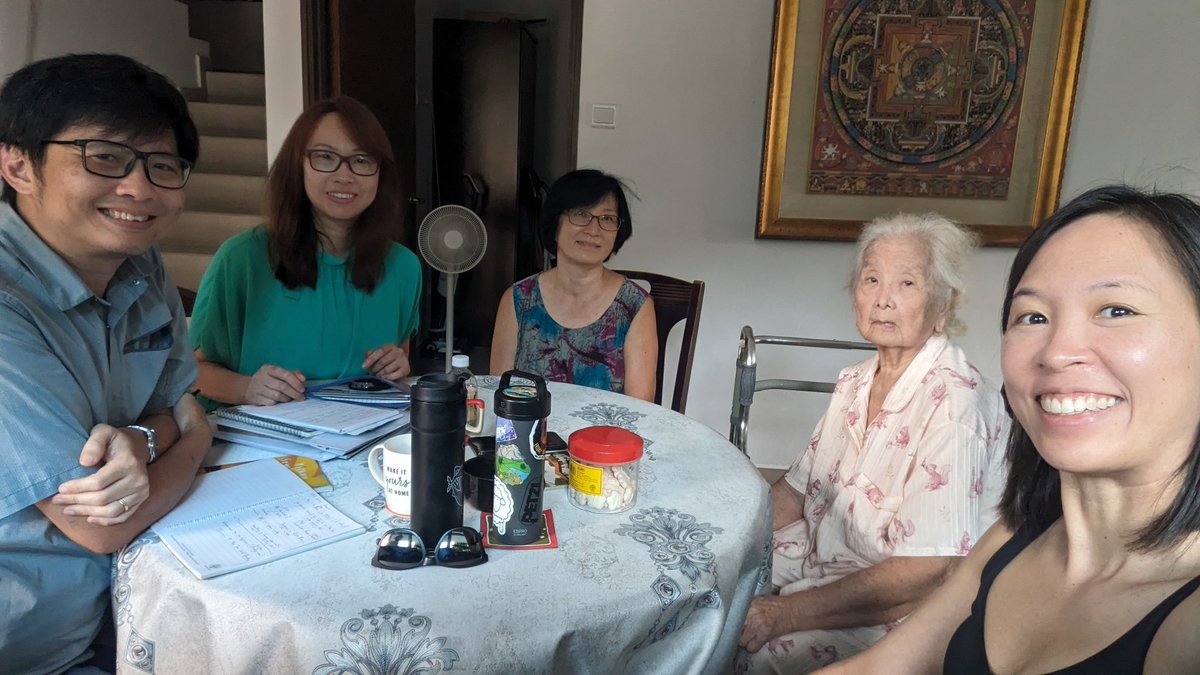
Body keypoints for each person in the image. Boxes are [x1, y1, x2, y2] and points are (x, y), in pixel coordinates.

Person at [822, 186, 1200, 674]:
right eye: (1033, 316)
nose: (1056, 351)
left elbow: (924, 568)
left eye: (1116, 310)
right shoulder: (1013, 538)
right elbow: (882, 668)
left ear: (944, 305)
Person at [0, 54, 212, 673]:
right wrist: (194, 440)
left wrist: (141, 437)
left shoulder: (141, 267)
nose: (140, 189)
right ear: (18, 164)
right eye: (104, 157)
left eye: (162, 165)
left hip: (121, 611)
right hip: (36, 650)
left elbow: (170, 404)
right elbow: (100, 525)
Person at [737, 213, 1009, 673]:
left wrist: (785, 612)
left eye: (907, 283)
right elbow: (797, 492)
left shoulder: (954, 403)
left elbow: (926, 571)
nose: (883, 299)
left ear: (945, 304)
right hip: (824, 553)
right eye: (871, 279)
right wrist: (731, 540)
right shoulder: (856, 381)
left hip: (906, 605)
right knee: (710, 586)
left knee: (755, 654)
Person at [190, 96, 421, 408]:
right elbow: (192, 372)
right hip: (261, 449)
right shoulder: (241, 259)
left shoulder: (403, 267)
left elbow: (400, 353)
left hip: (360, 444)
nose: (345, 175)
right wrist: (246, 388)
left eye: (362, 160)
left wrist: (396, 364)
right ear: (296, 164)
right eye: (325, 157)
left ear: (381, 172)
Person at [490, 169, 657, 401]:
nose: (593, 230)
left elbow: (640, 407)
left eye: (607, 218)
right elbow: (498, 393)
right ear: (554, 223)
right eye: (580, 214)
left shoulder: (635, 306)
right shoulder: (519, 299)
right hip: (529, 433)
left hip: (605, 436)